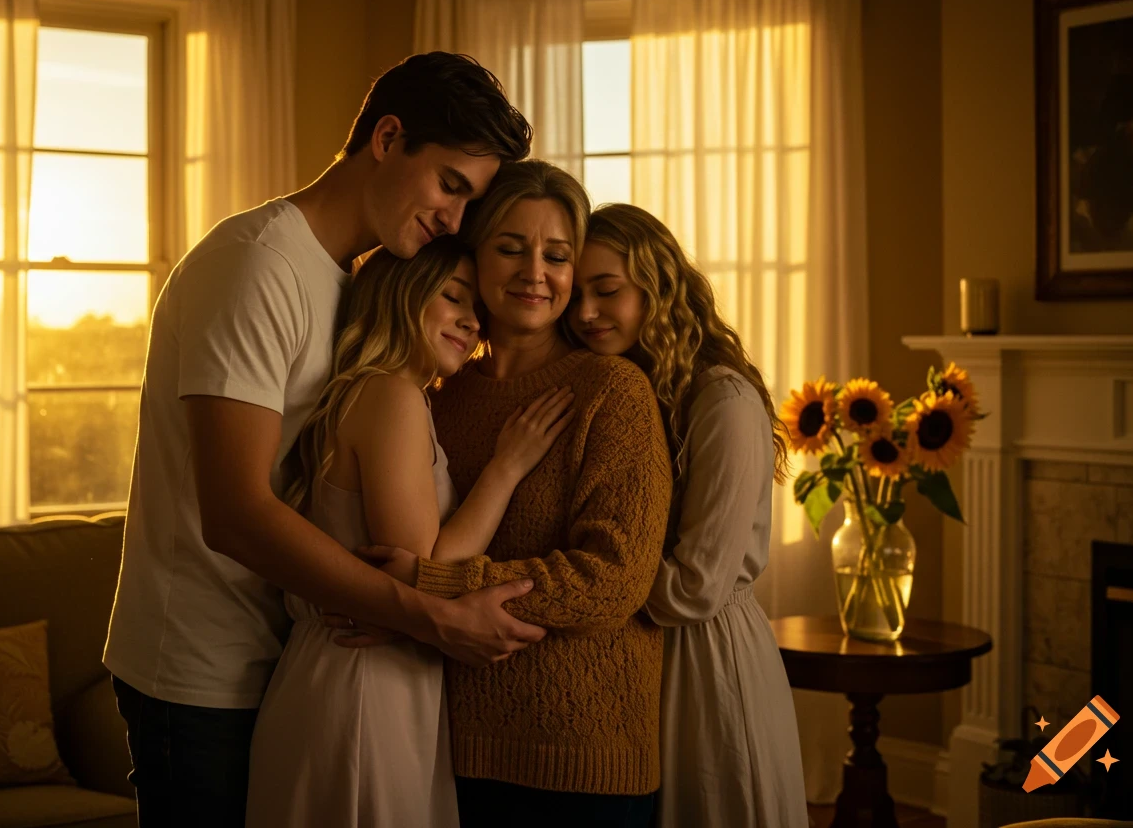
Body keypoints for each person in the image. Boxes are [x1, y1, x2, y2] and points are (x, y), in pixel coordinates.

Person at [103, 52, 544, 828]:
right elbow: (234, 510)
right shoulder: (257, 266)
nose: (453, 219)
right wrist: (424, 613)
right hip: (200, 670)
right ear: (387, 136)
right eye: (450, 184)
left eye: (469, 203)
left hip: (290, 653)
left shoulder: (349, 281)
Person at [352, 161, 673, 827]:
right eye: (510, 248)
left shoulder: (612, 392)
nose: (535, 272)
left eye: (557, 255)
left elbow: (615, 580)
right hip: (447, 745)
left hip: (582, 756)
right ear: (474, 254)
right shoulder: (440, 392)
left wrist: (433, 583)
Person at [245, 239, 574, 827]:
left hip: (368, 670)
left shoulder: (381, 392)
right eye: (452, 297)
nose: (472, 321)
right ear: (400, 296)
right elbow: (424, 567)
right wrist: (507, 467)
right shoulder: (391, 393)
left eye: (478, 309)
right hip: (364, 685)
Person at [568, 202, 808, 827]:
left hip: (707, 661)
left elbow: (693, 589)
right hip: (642, 657)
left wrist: (594, 571)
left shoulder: (721, 399)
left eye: (607, 290)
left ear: (658, 286)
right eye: (577, 294)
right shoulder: (627, 388)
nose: (586, 313)